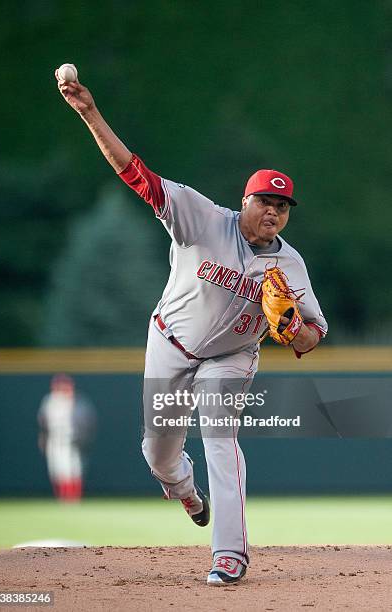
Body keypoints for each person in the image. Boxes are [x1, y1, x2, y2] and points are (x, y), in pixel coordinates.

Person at [55, 70, 328, 584]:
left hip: (231, 357)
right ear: (244, 201)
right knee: (158, 453)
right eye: (265, 201)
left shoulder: (291, 267)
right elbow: (135, 174)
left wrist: (293, 331)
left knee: (220, 439)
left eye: (283, 205)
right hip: (171, 342)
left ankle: (230, 554)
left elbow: (313, 337)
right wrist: (90, 113)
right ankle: (182, 489)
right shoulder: (200, 217)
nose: (274, 210)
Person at [38, 374, 96, 502]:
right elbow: (43, 424)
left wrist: (82, 437)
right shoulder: (49, 402)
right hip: (55, 440)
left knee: (74, 469)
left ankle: (73, 498)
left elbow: (88, 422)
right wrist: (43, 438)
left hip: (72, 440)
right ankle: (63, 497)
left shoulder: (78, 402)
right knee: (58, 469)